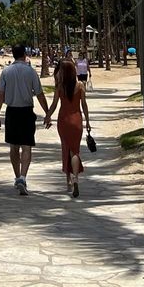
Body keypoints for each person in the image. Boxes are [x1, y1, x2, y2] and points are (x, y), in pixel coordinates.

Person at [0, 42, 49, 195]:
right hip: (26, 111)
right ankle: (23, 177)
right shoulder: (31, 72)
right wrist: (47, 113)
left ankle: (17, 176)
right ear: (25, 55)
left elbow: (0, 94)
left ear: (13, 55)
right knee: (26, 146)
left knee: (13, 147)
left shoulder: (6, 71)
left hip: (12, 111)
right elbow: (39, 94)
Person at [45, 58, 92, 198]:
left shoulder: (60, 87)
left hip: (63, 120)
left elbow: (54, 105)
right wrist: (88, 121)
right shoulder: (80, 85)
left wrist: (47, 116)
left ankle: (68, 181)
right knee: (75, 151)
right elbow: (84, 105)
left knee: (65, 149)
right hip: (76, 120)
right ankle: (76, 178)